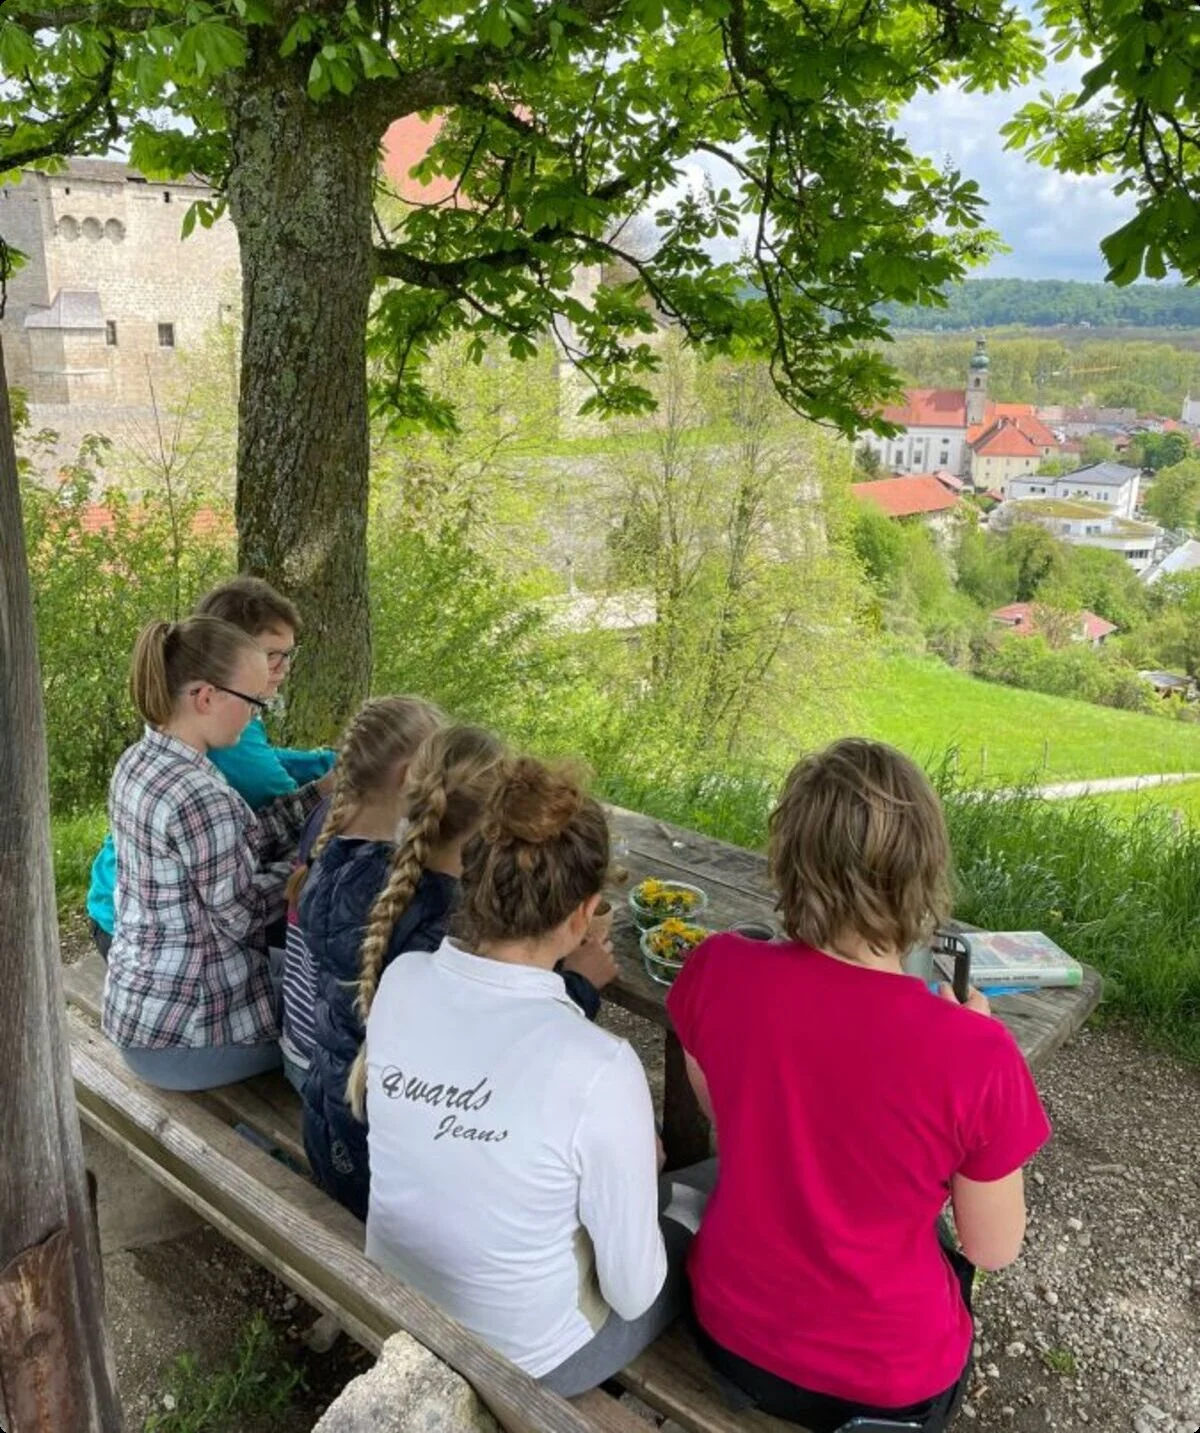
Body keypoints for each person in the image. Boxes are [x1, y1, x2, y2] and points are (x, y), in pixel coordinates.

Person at [665, 738, 1052, 1433]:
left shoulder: (715, 969)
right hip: (887, 1385)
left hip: (729, 1333)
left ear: (788, 859)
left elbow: (723, 1112)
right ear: (923, 873)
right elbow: (992, 1247)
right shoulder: (978, 1053)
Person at [363, 757, 707, 1395]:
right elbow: (634, 1295)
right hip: (530, 1357)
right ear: (585, 914)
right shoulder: (599, 1067)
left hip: (399, 1298)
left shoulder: (402, 980)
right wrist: (636, 1174)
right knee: (705, 1197)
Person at [102, 616, 332, 1090]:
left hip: (141, 1009)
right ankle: (266, 1142)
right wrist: (312, 867)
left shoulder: (144, 761)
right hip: (188, 1038)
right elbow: (243, 913)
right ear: (206, 697)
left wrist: (316, 795)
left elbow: (233, 845)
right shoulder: (200, 795)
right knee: (333, 1029)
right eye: (254, 703)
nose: (257, 716)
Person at [86, 577, 335, 959]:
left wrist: (323, 765)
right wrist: (308, 865)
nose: (284, 668)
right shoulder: (212, 774)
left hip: (127, 920)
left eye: (288, 654)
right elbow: (242, 908)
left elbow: (264, 769)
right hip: (170, 956)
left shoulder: (157, 741)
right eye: (273, 655)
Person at [279, 694, 445, 1094]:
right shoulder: (383, 878)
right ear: (409, 778)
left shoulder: (326, 820)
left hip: (299, 1047)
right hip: (337, 1079)